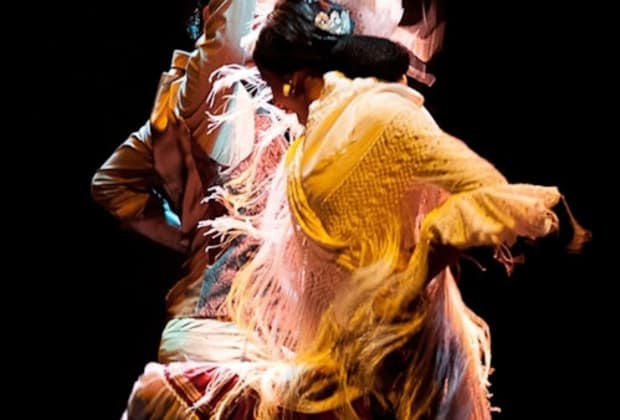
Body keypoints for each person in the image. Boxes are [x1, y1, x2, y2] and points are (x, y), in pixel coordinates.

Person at [123, 0, 590, 418]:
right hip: (347, 343)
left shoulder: (380, 112)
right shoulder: (313, 134)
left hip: (398, 334)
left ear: (292, 78)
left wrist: (537, 216)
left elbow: (474, 185)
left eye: (270, 85)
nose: (273, 101)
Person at [91, 0, 293, 364]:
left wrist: (185, 236)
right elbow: (226, 43)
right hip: (226, 329)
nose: (265, 25)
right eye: (257, 15)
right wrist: (185, 237)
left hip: (235, 322)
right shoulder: (216, 96)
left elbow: (110, 183)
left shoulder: (252, 99)